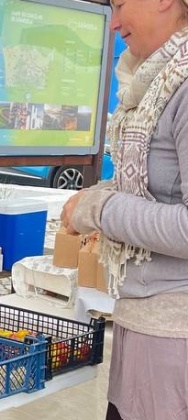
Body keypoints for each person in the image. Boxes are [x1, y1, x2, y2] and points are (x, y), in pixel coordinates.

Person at [61, 1, 188, 418]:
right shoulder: (154, 81)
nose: (114, 22)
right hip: (145, 323)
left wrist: (100, 208)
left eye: (120, 3)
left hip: (174, 337)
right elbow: (154, 189)